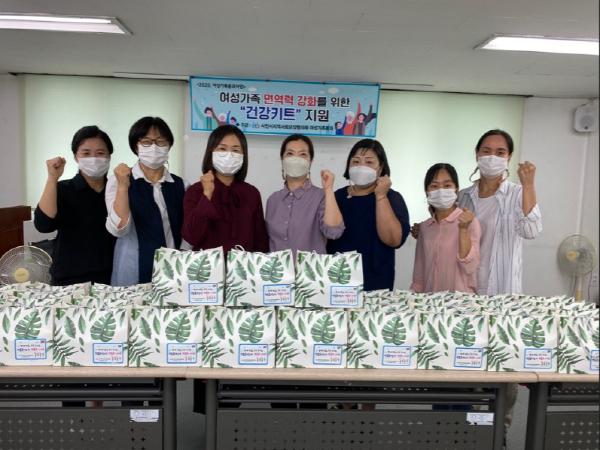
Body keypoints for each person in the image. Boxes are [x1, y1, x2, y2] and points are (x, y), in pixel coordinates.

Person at [105, 116, 186, 285]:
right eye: (147, 142)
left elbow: (187, 231)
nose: (154, 147)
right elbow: (118, 230)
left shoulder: (181, 185)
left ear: (169, 146)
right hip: (132, 270)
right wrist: (123, 186)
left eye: (161, 142)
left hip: (173, 270)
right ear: (136, 146)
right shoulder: (118, 180)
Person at [34, 125, 116, 285]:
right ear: (76, 157)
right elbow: (43, 225)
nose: (94, 158)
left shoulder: (117, 190)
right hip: (69, 279)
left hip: (111, 278)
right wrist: (52, 178)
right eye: (86, 153)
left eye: (100, 153)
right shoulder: (63, 189)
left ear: (109, 156)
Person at [327, 139, 410, 291]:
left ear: (381, 168)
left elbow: (393, 240)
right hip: (338, 282)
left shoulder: (392, 197)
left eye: (369, 162)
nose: (361, 166)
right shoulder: (337, 197)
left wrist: (381, 196)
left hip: (376, 284)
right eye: (356, 161)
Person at [182, 124, 268, 253]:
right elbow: (191, 237)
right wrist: (207, 194)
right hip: (207, 265)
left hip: (242, 265)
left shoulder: (251, 193)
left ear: (243, 155)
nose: (229, 155)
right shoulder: (195, 190)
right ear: (211, 152)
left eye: (236, 150)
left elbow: (260, 242)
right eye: (222, 149)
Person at [266, 134, 344, 255]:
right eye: (290, 153)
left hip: (310, 267)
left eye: (302, 154)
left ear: (310, 161)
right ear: (282, 159)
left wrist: (328, 189)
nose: (296, 159)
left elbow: (334, 232)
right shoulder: (273, 199)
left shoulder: (321, 196)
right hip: (277, 267)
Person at [411, 163, 480, 293]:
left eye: (447, 185)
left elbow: (470, 266)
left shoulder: (469, 221)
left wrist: (463, 229)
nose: (441, 191)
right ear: (427, 192)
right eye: (434, 186)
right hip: (431, 300)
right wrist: (414, 296)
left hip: (460, 300)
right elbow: (419, 274)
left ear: (456, 189)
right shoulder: (425, 228)